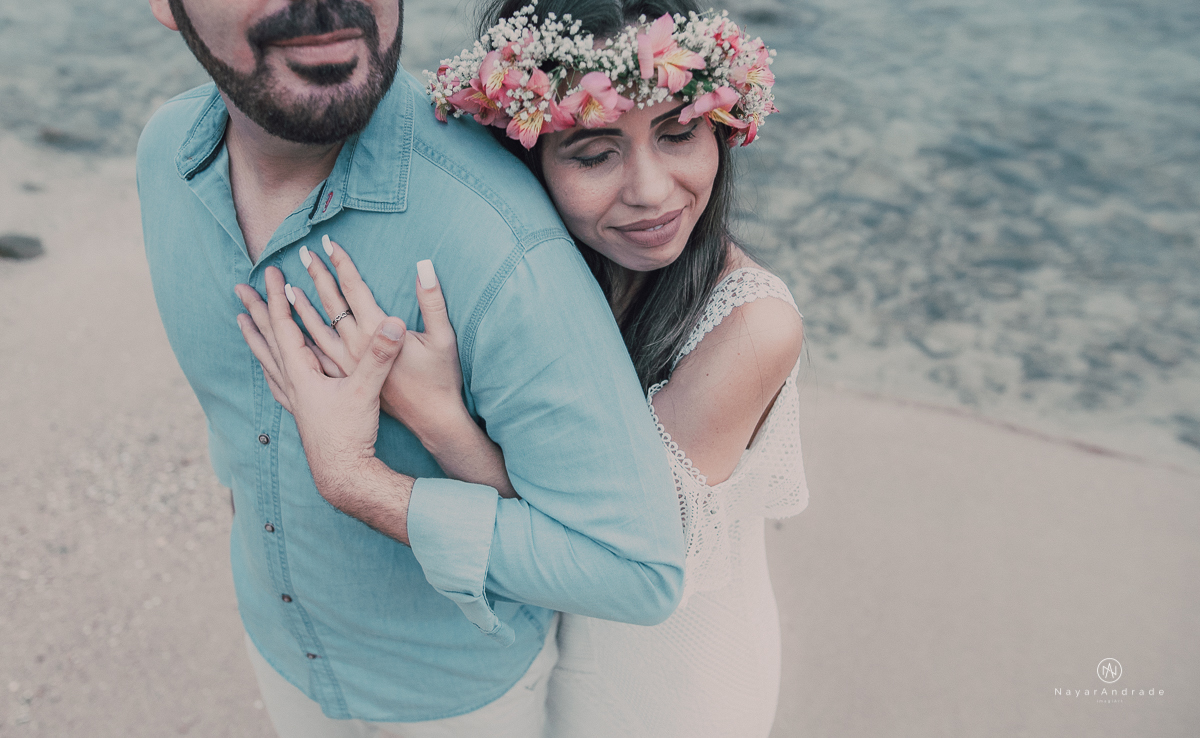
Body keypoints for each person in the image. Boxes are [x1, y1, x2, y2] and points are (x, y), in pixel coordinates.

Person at [237, 0, 809, 735]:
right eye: (596, 153)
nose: (652, 190)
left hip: (665, 671)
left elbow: (600, 548)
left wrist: (437, 418)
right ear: (525, 152)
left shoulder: (750, 329)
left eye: (679, 133)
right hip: (536, 647)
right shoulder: (536, 274)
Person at [136, 0, 688, 735]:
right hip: (277, 647)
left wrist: (355, 483)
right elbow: (233, 416)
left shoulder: (502, 242)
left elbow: (636, 571)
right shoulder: (166, 156)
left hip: (451, 703)